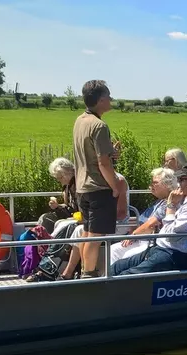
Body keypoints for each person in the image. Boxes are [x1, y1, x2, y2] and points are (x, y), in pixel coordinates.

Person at [112, 162, 187, 275]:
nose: (178, 184)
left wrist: (171, 206)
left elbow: (170, 235)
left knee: (126, 276)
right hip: (163, 250)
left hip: (179, 257)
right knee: (116, 268)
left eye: (181, 179)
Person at [73, 79, 122, 278]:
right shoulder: (100, 126)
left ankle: (85, 270)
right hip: (98, 188)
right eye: (108, 96)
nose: (111, 100)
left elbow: (93, 153)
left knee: (86, 232)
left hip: (82, 187)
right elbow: (103, 163)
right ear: (101, 100)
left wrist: (110, 152)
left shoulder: (80, 121)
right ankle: (89, 274)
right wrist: (115, 186)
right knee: (95, 236)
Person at [38, 158, 79, 235]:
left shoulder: (79, 184)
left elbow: (77, 208)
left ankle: (47, 243)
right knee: (45, 218)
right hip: (72, 215)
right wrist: (57, 206)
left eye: (59, 178)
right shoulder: (67, 186)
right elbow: (69, 206)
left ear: (67, 173)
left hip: (79, 217)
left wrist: (59, 207)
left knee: (48, 219)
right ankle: (43, 243)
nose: (59, 181)